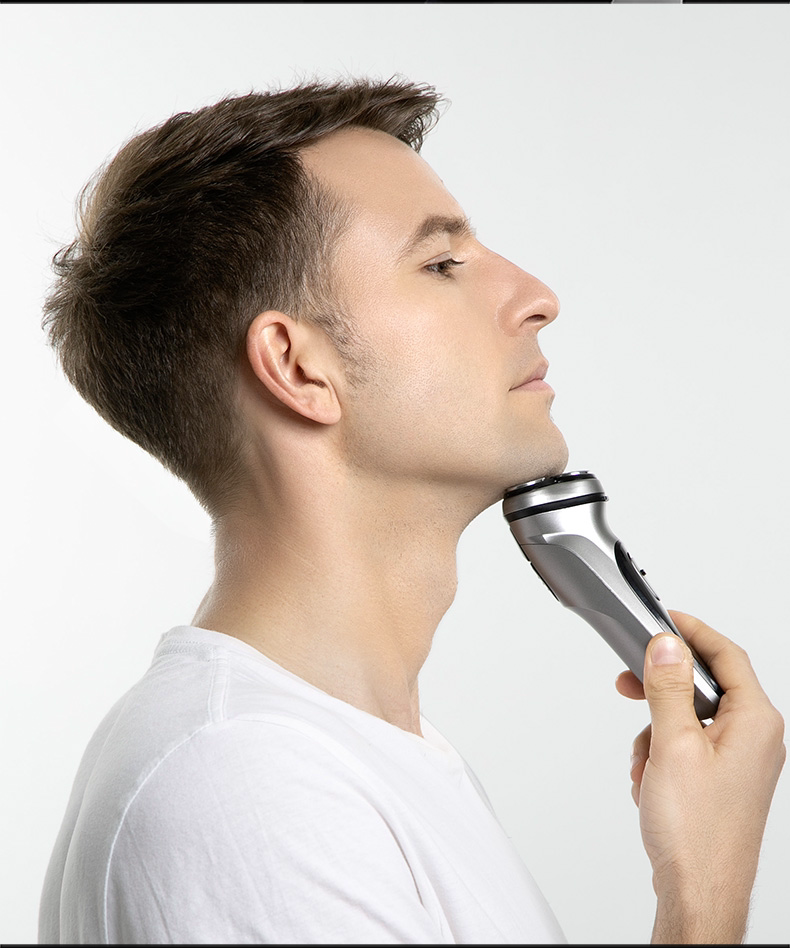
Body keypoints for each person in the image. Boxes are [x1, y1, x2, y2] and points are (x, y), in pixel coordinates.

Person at [38, 77, 784, 945]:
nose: (538, 296)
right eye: (441, 264)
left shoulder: (354, 756)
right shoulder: (247, 787)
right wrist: (704, 888)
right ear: (299, 367)